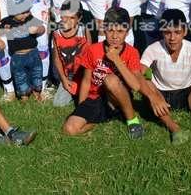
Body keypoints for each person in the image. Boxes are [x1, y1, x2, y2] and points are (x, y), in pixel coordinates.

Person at [140, 9, 191, 144]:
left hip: (188, 95)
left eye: (177, 32)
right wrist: (152, 97)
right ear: (162, 32)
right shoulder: (153, 49)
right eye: (168, 33)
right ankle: (175, 129)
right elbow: (139, 74)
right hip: (162, 94)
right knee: (147, 83)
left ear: (185, 32)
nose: (172, 38)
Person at [62, 7, 145, 139]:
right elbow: (86, 80)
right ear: (104, 29)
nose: (115, 36)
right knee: (69, 129)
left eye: (120, 31)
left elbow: (136, 86)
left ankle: (132, 121)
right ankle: (103, 118)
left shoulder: (132, 52)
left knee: (110, 79)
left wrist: (116, 59)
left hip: (118, 97)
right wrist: (81, 106)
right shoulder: (93, 50)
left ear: (127, 32)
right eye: (110, 30)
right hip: (95, 98)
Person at [51, 0, 91, 107]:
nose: (68, 21)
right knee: (58, 103)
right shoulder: (56, 33)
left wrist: (88, 78)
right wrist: (64, 80)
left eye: (72, 18)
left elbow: (90, 55)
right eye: (65, 16)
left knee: (89, 98)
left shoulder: (83, 31)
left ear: (79, 18)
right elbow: (57, 59)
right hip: (68, 75)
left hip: (84, 74)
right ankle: (74, 90)